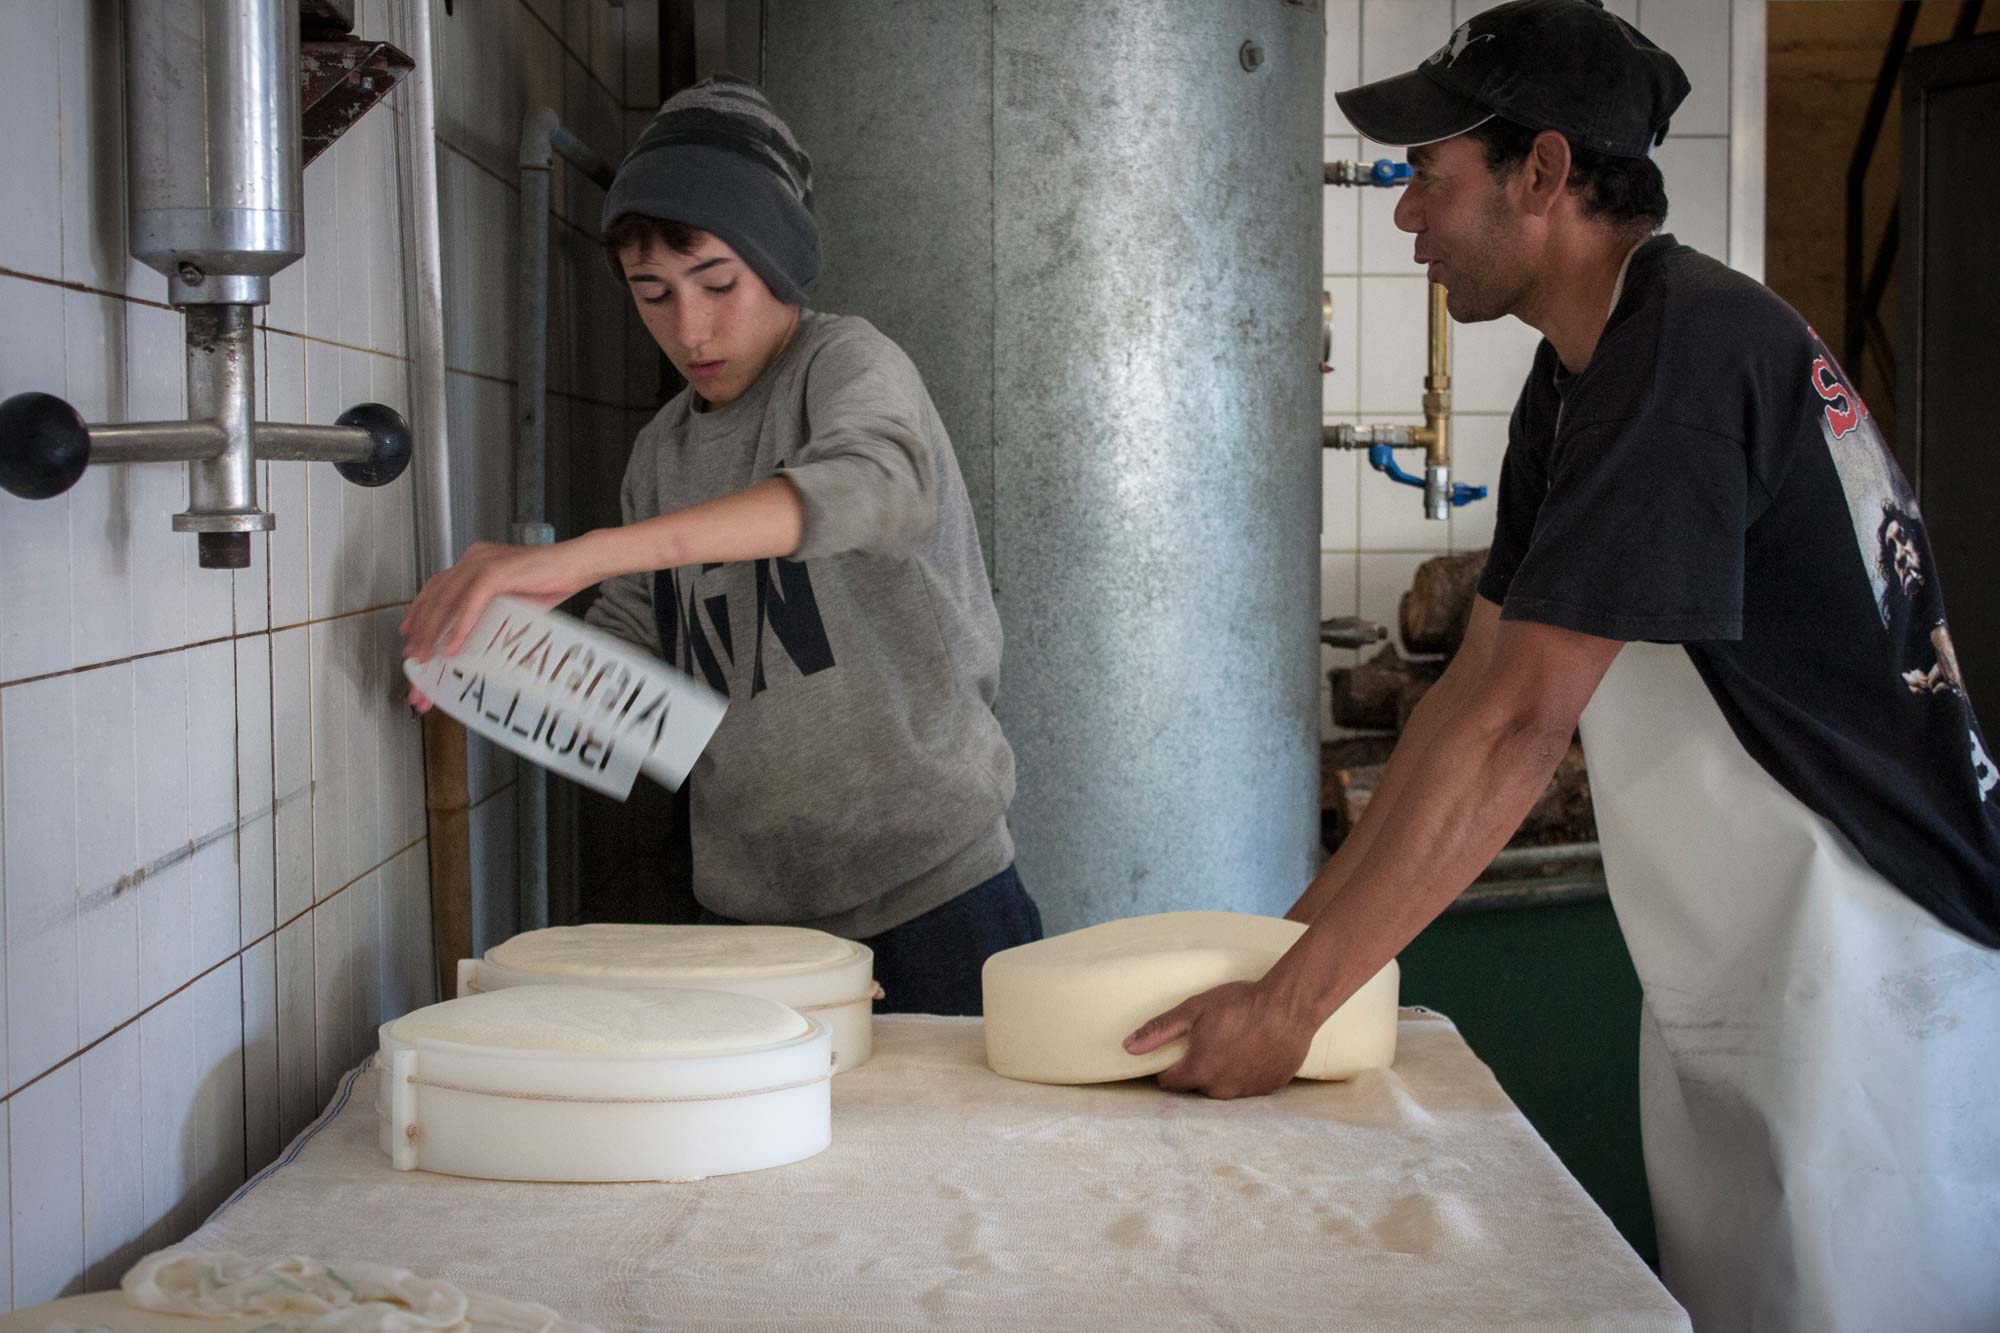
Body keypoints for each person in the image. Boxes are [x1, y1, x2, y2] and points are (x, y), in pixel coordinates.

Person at [1123, 3, 2000, 1328]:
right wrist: (1281, 963)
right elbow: (1469, 693)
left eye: (1431, 174)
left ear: (1541, 174)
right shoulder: (1581, 376)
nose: (1406, 214)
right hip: (1757, 966)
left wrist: (1295, 1008)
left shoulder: (1688, 359)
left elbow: (1523, 731)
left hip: (1872, 978)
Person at [401, 75, 1039, 1015]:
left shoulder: (845, 364)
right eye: (651, 294)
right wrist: (488, 667)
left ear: (778, 260)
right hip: (752, 926)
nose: (688, 329)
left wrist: (583, 554)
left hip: (937, 898)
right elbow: (638, 684)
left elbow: (876, 487)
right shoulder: (659, 454)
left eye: (717, 283)